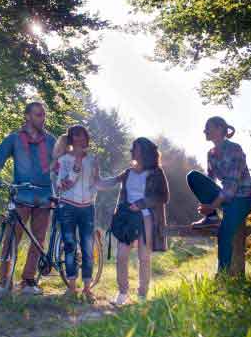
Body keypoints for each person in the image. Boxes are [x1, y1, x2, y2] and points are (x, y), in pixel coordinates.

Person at [0, 102, 56, 297]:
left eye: (43, 114)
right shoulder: (14, 139)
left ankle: (28, 281)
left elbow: (59, 164)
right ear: (27, 116)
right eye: (38, 114)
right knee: (11, 238)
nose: (42, 118)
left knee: (38, 239)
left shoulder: (51, 141)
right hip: (21, 195)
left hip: (44, 196)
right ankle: (4, 282)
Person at [100, 138, 169, 306]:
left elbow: (163, 196)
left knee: (144, 257)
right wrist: (94, 178)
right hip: (128, 219)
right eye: (132, 148)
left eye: (136, 148)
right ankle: (123, 292)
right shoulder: (128, 172)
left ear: (145, 151)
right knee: (121, 255)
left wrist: (141, 204)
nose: (132, 151)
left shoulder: (156, 172)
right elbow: (110, 182)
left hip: (146, 217)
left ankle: (142, 295)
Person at [187, 117, 251, 274]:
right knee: (193, 176)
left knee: (224, 233)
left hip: (243, 199)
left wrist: (212, 205)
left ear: (219, 129)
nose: (205, 131)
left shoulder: (234, 149)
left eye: (208, 127)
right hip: (226, 198)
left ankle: (222, 277)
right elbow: (210, 181)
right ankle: (211, 218)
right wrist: (208, 207)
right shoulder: (210, 154)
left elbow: (231, 185)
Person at [53, 125, 100, 302]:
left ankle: (87, 288)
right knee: (70, 246)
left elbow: (97, 182)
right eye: (75, 137)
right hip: (68, 207)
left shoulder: (93, 159)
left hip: (88, 208)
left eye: (82, 136)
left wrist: (119, 180)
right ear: (71, 140)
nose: (79, 140)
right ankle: (72, 287)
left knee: (88, 248)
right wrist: (77, 165)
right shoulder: (64, 159)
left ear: (86, 139)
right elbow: (63, 184)